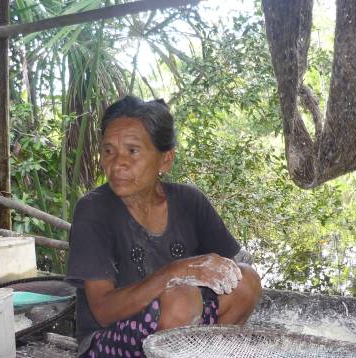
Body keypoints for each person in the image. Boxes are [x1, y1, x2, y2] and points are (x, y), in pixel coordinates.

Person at [66, 95, 262, 358]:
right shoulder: (93, 210)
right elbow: (103, 311)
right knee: (180, 299)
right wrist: (175, 271)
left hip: (177, 325)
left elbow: (231, 272)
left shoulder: (189, 201)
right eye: (109, 150)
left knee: (246, 280)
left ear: (165, 160)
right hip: (107, 342)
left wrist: (210, 272)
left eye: (132, 151)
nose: (117, 163)